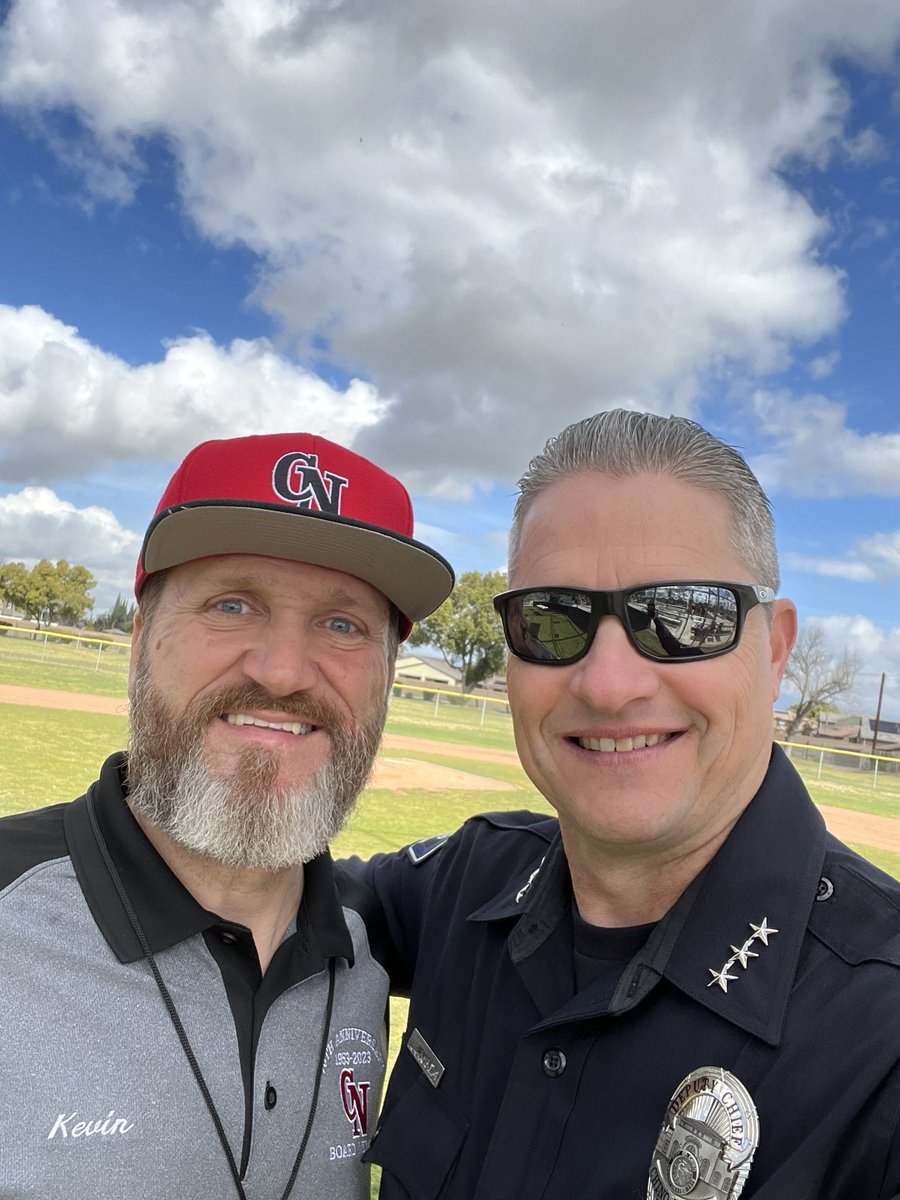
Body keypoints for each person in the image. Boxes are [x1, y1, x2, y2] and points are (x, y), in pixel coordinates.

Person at [353, 411, 900, 1199]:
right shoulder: (465, 883)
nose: (609, 686)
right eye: (553, 620)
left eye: (683, 618)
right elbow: (252, 901)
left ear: (776, 650)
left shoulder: (879, 1037)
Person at [0, 432, 453, 1200]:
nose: (281, 670)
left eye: (342, 624)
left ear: (386, 678)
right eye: (232, 605)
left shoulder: (361, 954)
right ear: (142, 639)